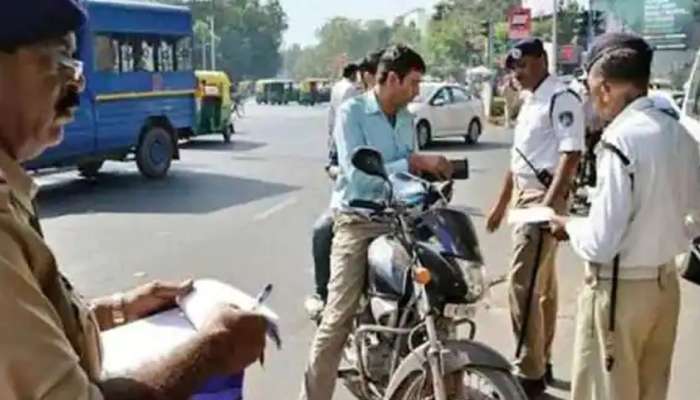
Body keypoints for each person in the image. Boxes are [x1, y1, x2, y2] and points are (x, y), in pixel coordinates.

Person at [0, 1, 268, 398]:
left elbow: (38, 330)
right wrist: (215, 349)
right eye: (58, 61)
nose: (76, 88)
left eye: (75, 66)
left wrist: (120, 309)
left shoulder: (14, 193)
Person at [550, 33, 700, 400]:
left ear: (604, 88)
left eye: (589, 89)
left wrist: (568, 226)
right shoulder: (679, 133)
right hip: (664, 290)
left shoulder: (621, 141)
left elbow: (601, 243)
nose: (590, 99)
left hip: (620, 292)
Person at [299, 44, 453, 400]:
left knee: (427, 300)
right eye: (413, 83)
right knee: (337, 320)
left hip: (401, 220)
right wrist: (414, 163)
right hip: (358, 219)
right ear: (392, 78)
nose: (417, 91)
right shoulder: (352, 112)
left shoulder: (407, 118)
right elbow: (356, 175)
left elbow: (408, 178)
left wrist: (431, 185)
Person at [485, 38, 584, 397]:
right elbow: (519, 158)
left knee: (521, 286)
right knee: (542, 288)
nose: (518, 73)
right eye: (514, 68)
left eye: (523, 65)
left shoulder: (561, 97)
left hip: (543, 197)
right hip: (527, 196)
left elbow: (570, 154)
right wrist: (500, 203)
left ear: (542, 61)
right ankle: (540, 360)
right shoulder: (530, 101)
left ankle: (528, 374)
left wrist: (548, 204)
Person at [304, 51, 385, 322]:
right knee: (322, 230)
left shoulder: (403, 115)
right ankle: (323, 296)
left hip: (396, 208)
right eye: (367, 77)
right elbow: (335, 159)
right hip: (355, 206)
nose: (367, 82)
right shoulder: (351, 111)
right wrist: (338, 169)